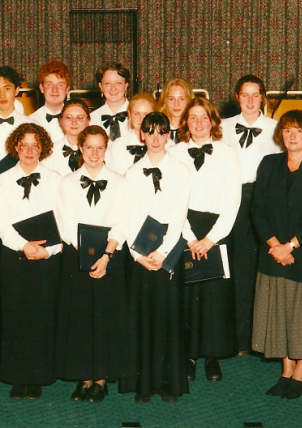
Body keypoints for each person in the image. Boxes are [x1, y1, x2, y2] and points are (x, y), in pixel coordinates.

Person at [251, 110, 302, 400]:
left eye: (299, 131)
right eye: (287, 130)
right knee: (279, 313)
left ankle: (301, 371)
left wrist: (290, 246)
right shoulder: (269, 164)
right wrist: (275, 245)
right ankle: (286, 369)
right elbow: (257, 209)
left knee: (300, 315)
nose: (292, 136)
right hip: (273, 253)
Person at [54, 125, 134, 403]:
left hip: (110, 258)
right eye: (89, 147)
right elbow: (65, 224)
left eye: (101, 147)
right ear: (80, 148)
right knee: (79, 318)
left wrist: (106, 255)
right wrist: (86, 255)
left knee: (104, 318)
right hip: (78, 259)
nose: (94, 153)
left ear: (106, 149)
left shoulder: (121, 182)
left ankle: (100, 378)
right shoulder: (66, 182)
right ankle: (83, 377)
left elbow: (122, 222)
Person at [118, 112, 191, 403]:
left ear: (169, 135)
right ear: (142, 136)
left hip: (168, 249)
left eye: (162, 132)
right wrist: (138, 255)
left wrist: (162, 252)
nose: (157, 138)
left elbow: (178, 215)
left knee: (169, 318)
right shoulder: (132, 173)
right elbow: (128, 215)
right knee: (141, 318)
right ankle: (143, 384)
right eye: (151, 132)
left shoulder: (182, 171)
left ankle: (168, 383)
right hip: (139, 252)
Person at [168, 97, 242, 382]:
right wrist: (188, 236)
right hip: (184, 227)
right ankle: (188, 355)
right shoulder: (174, 153)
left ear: (213, 120)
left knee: (215, 297)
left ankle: (213, 355)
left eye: (204, 117)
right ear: (185, 122)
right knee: (187, 295)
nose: (198, 123)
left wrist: (210, 239)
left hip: (218, 230)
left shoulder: (227, 153)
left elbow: (233, 200)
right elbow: (173, 198)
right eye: (193, 117)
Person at [0, 123, 62, 400]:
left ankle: (37, 376)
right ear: (15, 147)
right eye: (24, 144)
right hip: (14, 254)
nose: (29, 150)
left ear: (43, 148)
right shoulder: (1, 179)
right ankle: (16, 376)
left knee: (42, 315)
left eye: (36, 144)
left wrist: (51, 250)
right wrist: (22, 245)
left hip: (47, 258)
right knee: (15, 315)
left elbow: (64, 218)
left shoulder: (56, 178)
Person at [221, 75, 280, 353]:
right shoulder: (222, 127)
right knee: (235, 267)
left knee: (259, 268)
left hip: (264, 200)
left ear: (263, 97)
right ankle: (236, 336)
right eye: (245, 95)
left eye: (255, 95)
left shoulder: (276, 128)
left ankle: (260, 338)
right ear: (237, 96)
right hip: (232, 199)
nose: (250, 101)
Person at [106, 93, 156, 175]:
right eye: (136, 114)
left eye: (146, 115)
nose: (141, 119)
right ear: (129, 114)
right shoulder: (118, 146)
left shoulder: (167, 145)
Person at [42, 99, 90, 177]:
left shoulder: (98, 150)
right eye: (68, 117)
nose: (74, 122)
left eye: (80, 117)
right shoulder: (49, 151)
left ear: (88, 121)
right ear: (61, 121)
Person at [28, 60, 71, 141]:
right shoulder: (30, 121)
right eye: (49, 85)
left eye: (60, 85)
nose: (55, 90)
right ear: (41, 88)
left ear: (67, 89)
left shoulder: (78, 122)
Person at [89, 63, 131, 141]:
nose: (113, 88)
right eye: (107, 83)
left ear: (126, 85)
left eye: (118, 83)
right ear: (100, 86)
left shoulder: (140, 116)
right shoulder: (91, 119)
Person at [158, 77, 195, 144]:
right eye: (171, 99)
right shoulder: (157, 127)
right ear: (165, 101)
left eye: (181, 99)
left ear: (189, 101)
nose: (176, 104)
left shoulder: (195, 128)